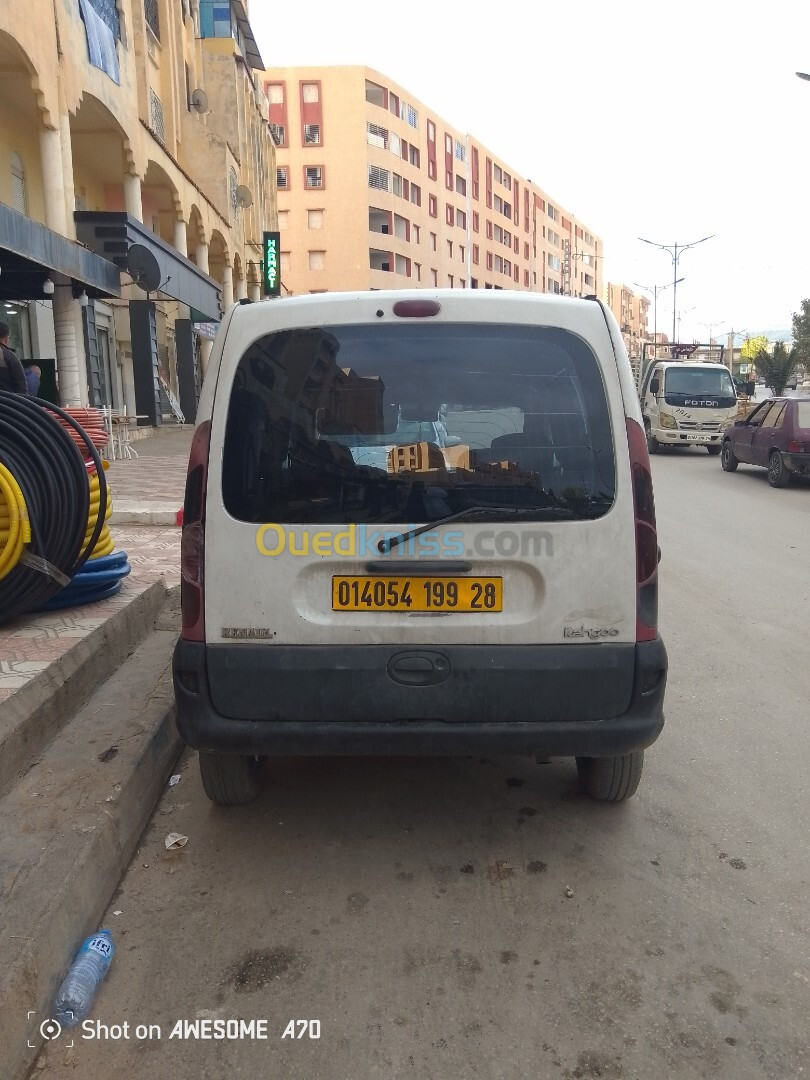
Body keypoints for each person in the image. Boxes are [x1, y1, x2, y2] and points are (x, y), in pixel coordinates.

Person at [0, 322, 28, 394]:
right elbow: (21, 385)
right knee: (34, 373)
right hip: (8, 400)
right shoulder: (8, 356)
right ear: (6, 339)